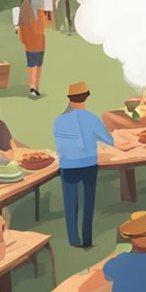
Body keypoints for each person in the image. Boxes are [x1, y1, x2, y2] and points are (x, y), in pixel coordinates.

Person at [53, 81, 114, 248]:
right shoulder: (91, 118)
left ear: (70, 98)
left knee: (70, 203)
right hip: (88, 164)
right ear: (86, 97)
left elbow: (60, 148)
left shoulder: (59, 120)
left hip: (68, 166)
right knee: (88, 203)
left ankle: (73, 239)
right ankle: (87, 239)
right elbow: (109, 140)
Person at [16, 0, 45, 97]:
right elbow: (42, 28)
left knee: (31, 66)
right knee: (38, 66)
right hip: (41, 46)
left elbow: (22, 38)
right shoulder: (37, 15)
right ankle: (36, 86)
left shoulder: (22, 20)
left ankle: (32, 86)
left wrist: (27, 42)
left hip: (30, 47)